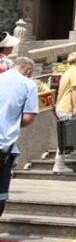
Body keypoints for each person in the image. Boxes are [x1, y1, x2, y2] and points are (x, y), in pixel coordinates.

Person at [0, 58, 37, 216]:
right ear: (28, 71)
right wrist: (13, 121)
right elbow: (28, 118)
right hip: (3, 144)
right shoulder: (28, 84)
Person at [53, 51, 76, 174]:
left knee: (71, 132)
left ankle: (72, 152)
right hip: (66, 108)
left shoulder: (66, 72)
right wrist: (75, 107)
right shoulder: (75, 73)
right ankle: (59, 164)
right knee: (65, 137)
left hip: (60, 107)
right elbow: (74, 91)